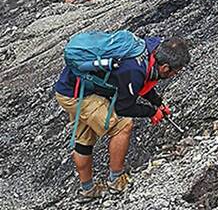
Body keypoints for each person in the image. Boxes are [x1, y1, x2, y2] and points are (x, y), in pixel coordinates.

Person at [54, 35, 190, 200]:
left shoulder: (149, 49)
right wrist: (151, 112)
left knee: (85, 139)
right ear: (165, 67)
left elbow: (140, 83)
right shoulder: (134, 69)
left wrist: (157, 102)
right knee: (123, 125)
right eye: (175, 72)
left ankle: (88, 190)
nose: (175, 75)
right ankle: (116, 180)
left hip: (75, 86)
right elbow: (124, 107)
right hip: (77, 95)